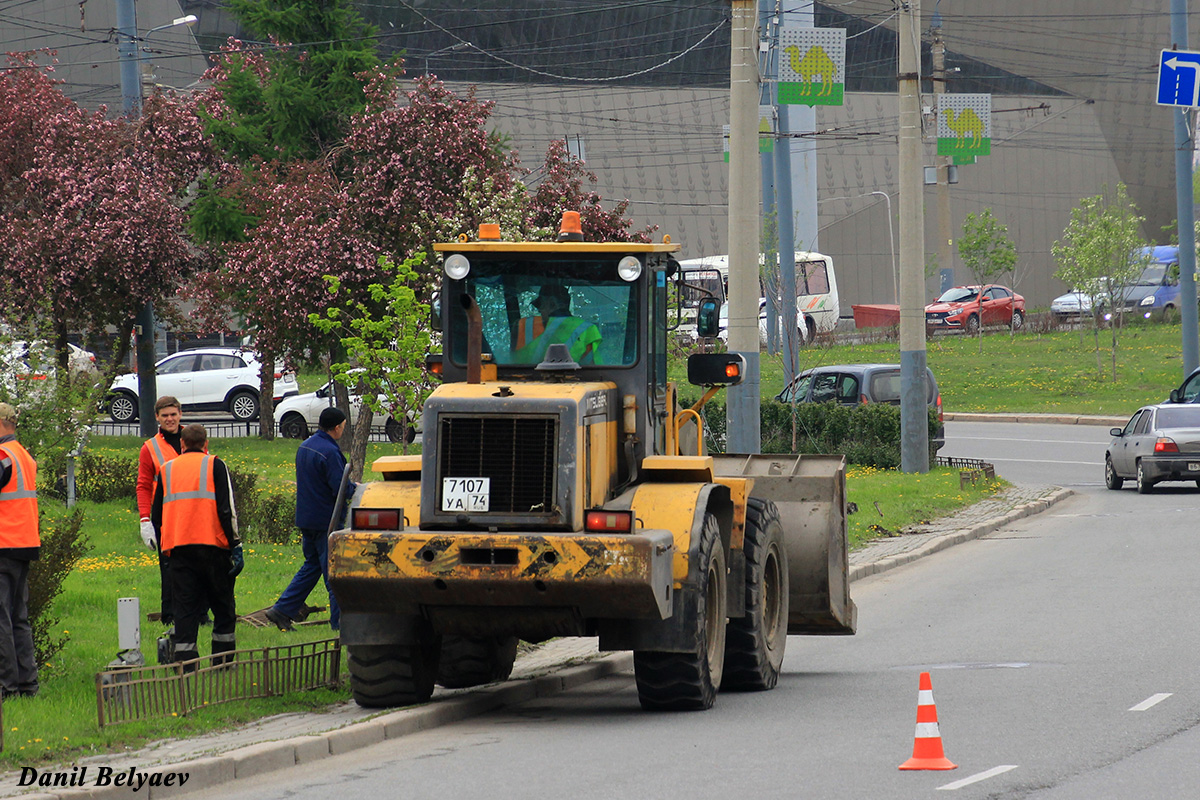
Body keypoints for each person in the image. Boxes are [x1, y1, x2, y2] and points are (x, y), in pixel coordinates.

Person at [150, 424, 242, 667]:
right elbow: (226, 509)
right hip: (213, 548)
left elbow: (156, 514)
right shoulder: (215, 465)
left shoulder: (167, 469)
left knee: (185, 607)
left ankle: (186, 663)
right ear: (206, 443)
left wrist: (165, 545)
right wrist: (236, 545)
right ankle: (222, 662)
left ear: (181, 444)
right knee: (222, 605)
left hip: (179, 548)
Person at [265, 407, 355, 633]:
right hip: (327, 521)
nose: (343, 430)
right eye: (343, 427)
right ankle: (339, 625)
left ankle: (282, 610)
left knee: (312, 567)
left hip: (307, 518)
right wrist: (357, 490)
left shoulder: (306, 446)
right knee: (334, 575)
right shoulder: (330, 452)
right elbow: (340, 487)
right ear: (336, 427)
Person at [136, 396, 197, 627]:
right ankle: (170, 615)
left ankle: (199, 613)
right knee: (169, 567)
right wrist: (145, 520)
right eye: (165, 416)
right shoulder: (150, 448)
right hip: (165, 516)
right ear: (157, 418)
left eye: (173, 414)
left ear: (180, 414)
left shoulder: (194, 438)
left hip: (194, 513)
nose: (170, 419)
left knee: (198, 564)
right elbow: (143, 485)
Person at [0, 403, 39, 698]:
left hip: (3, 544)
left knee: (2, 618)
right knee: (19, 617)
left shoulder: (2, 456)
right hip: (24, 543)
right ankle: (27, 684)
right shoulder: (23, 455)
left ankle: (7, 687)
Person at [513, 284, 602, 365]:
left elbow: (511, 363)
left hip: (523, 381)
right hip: (575, 381)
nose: (539, 311)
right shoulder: (586, 329)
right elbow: (594, 370)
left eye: (541, 305)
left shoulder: (522, 325)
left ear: (552, 304)